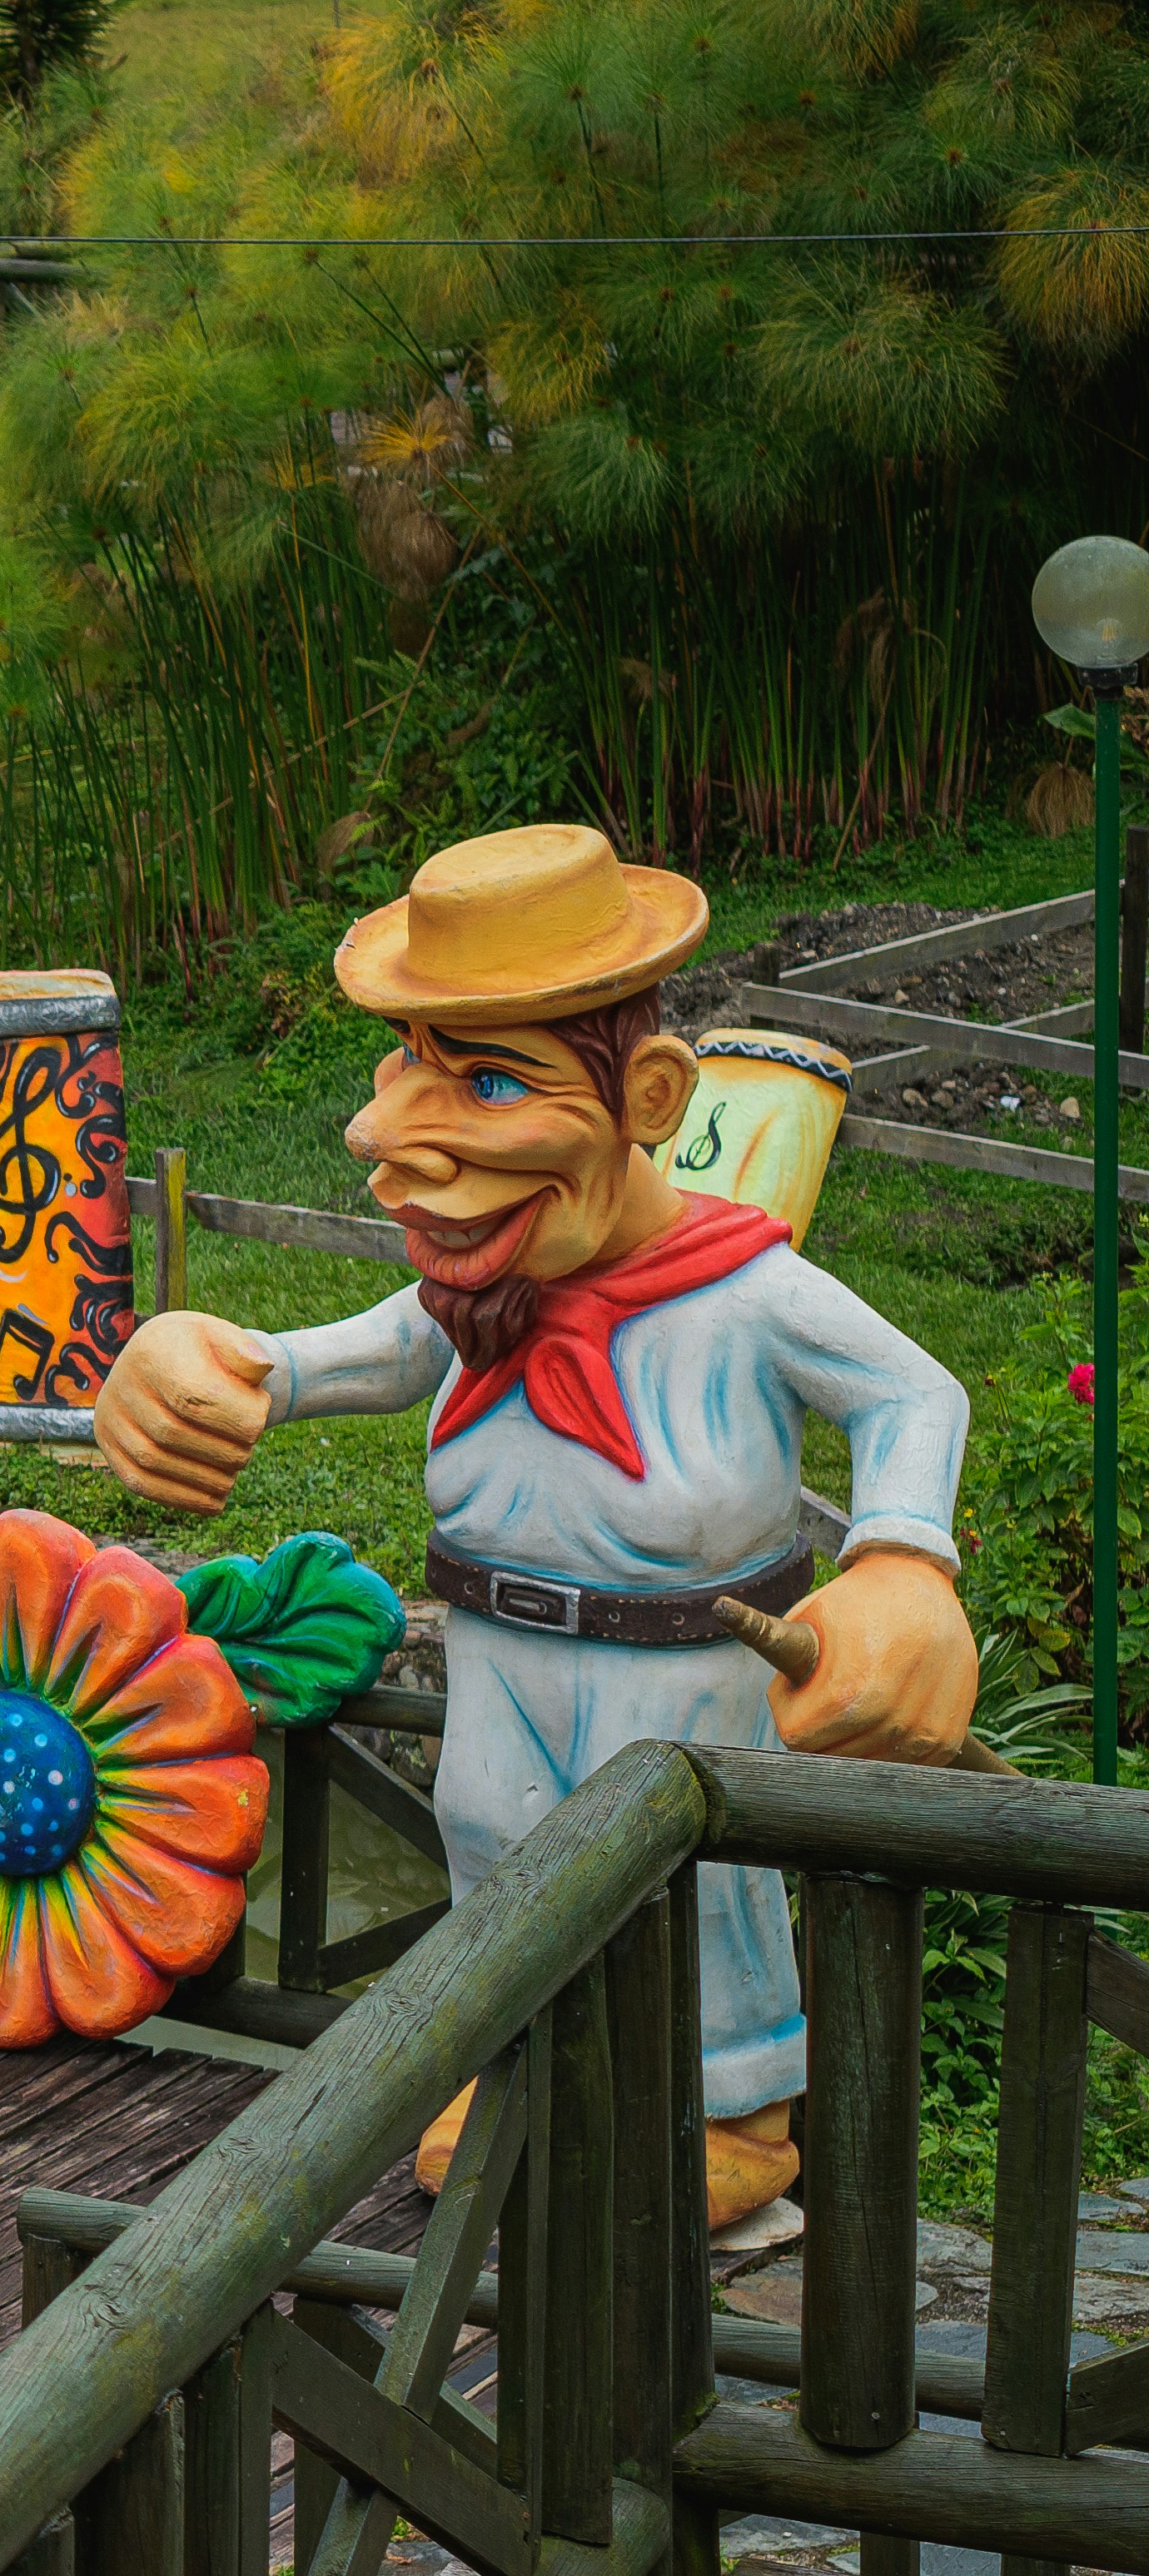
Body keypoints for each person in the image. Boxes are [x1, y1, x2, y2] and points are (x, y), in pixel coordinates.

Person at [94, 824, 977, 2225]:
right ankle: (511, 2063)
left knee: (695, 1887)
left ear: (650, 1094)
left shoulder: (745, 1291)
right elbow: (355, 1354)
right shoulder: (476, 1294)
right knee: (490, 1838)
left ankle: (731, 2105)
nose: (384, 1136)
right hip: (500, 1648)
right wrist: (224, 1361)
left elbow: (911, 1394)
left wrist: (905, 1558)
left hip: (689, 1670)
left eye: (491, 1080)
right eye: (405, 1069)